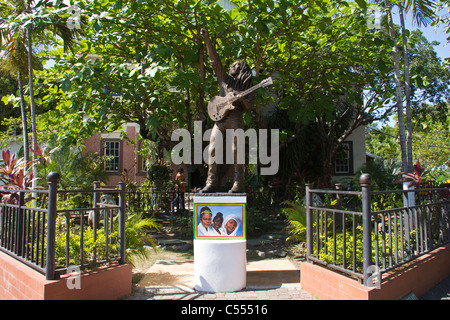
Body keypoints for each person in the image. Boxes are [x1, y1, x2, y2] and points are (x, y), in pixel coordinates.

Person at [200, 28, 254, 193]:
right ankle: (211, 182)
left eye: (235, 65)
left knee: (236, 150)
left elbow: (249, 106)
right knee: (213, 147)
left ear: (242, 69)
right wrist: (207, 39)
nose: (232, 66)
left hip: (235, 118)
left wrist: (241, 98)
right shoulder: (224, 80)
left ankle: (238, 183)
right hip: (220, 119)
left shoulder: (247, 84)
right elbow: (214, 60)